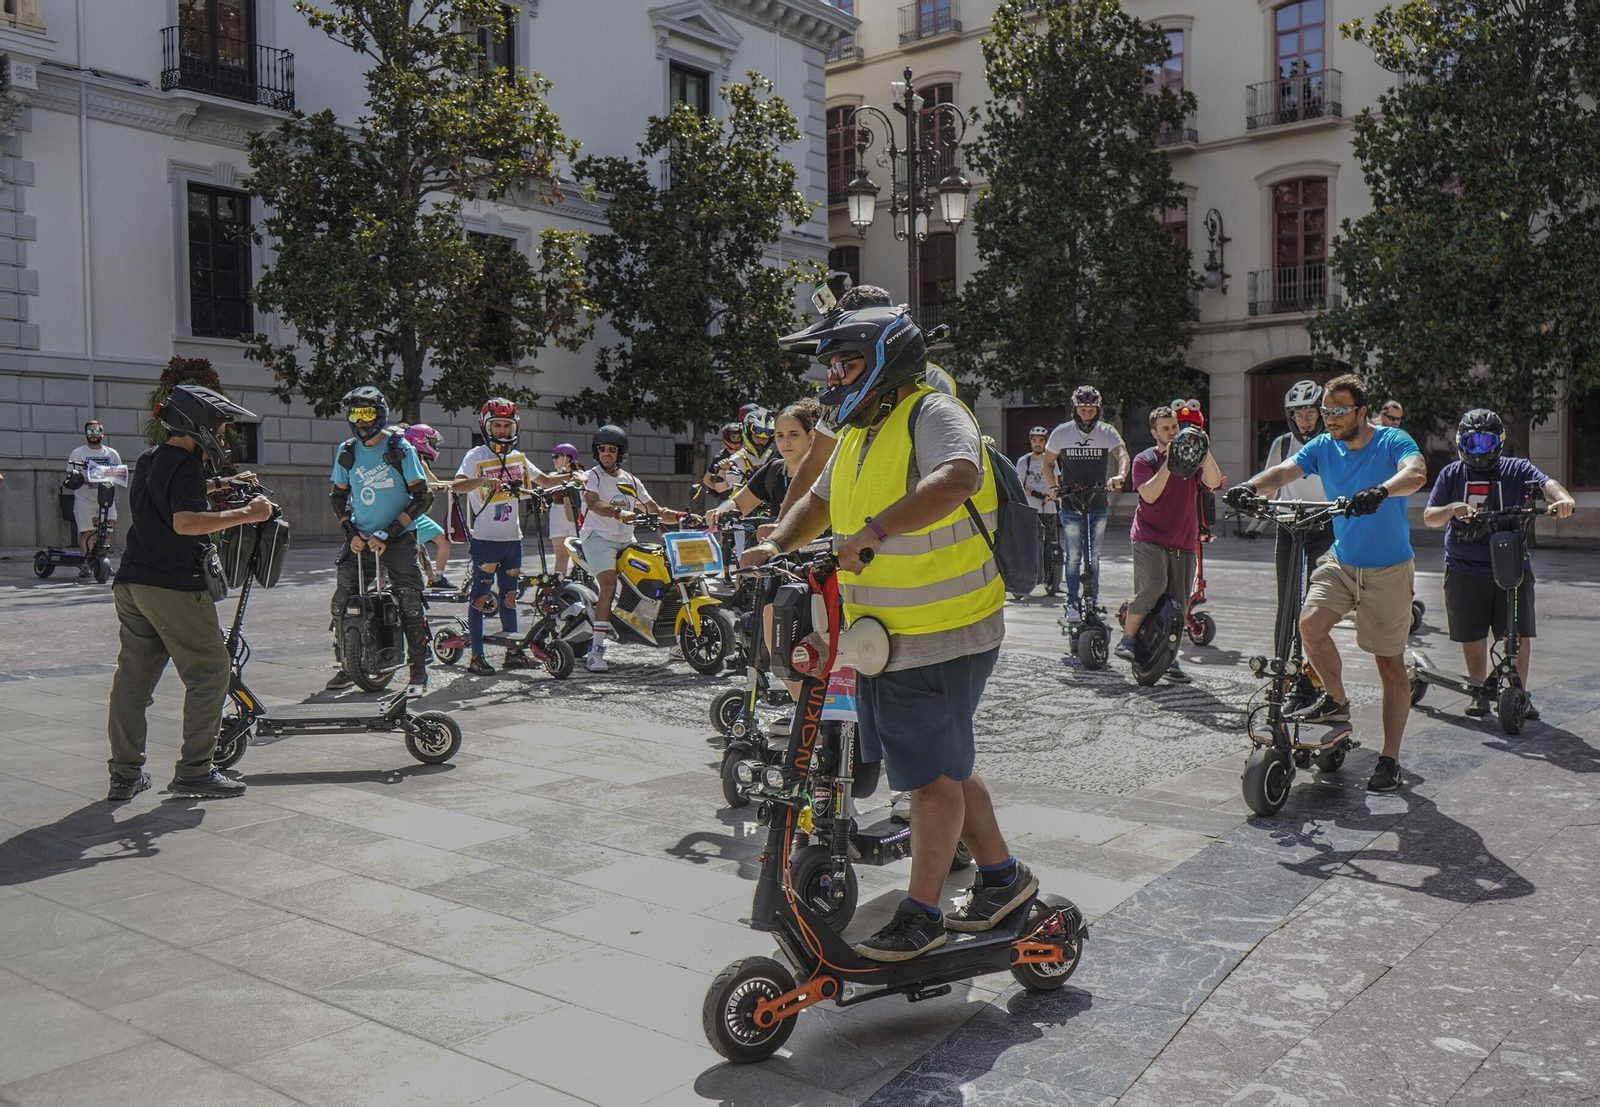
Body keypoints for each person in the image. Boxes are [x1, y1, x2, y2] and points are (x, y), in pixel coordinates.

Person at [749, 304, 1033, 963]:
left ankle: (921, 915)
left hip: (944, 627)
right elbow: (818, 500)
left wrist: (873, 533)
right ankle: (1003, 879)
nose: (833, 379)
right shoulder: (857, 432)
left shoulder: (932, 413)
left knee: (930, 777)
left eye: (843, 364)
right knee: (945, 764)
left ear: (881, 362)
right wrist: (778, 543)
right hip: (889, 633)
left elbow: (958, 476)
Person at [1224, 372, 1428, 792]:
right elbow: (1282, 472)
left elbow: (1416, 472)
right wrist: (1248, 487)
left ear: (1362, 411)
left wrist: (1382, 491)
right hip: (1342, 559)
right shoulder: (1324, 446)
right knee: (1309, 625)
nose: (1328, 418)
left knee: (1389, 665)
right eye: (1326, 410)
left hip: (1387, 568)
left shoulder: (1391, 440)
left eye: (1337, 410)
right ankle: (1335, 699)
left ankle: (1389, 759)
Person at [106, 385, 274, 801]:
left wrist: (221, 483)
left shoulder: (151, 458)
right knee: (211, 672)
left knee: (132, 682)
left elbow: (169, 495)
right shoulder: (185, 464)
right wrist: (246, 514)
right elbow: (184, 521)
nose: (222, 433)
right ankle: (195, 771)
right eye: (218, 426)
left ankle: (125, 775)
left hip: (133, 583)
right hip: (172, 585)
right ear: (197, 425)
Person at [1424, 409, 1575, 718]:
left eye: (1485, 442)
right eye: (1471, 442)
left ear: (1499, 443)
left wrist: (1562, 499)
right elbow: (1430, 517)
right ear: (1461, 443)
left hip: (1510, 565)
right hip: (1465, 565)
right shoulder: (1452, 474)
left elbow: (1548, 484)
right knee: (1472, 633)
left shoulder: (1517, 468)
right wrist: (1452, 509)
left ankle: (1519, 692)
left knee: (1516, 632)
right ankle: (1479, 691)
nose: (1478, 450)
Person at [444, 398, 565, 676]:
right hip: (486, 541)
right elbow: (458, 485)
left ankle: (513, 653)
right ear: (486, 427)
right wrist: (483, 481)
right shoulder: (476, 455)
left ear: (515, 427)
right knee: (480, 598)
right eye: (496, 425)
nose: (501, 430)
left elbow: (544, 481)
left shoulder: (518, 458)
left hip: (513, 540)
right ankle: (476, 656)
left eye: (506, 425)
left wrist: (573, 476)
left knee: (510, 597)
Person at [326, 386, 435, 696]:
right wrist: (351, 532)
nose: (361, 421)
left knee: (410, 602)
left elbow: (422, 497)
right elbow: (338, 495)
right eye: (355, 414)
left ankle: (417, 668)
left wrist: (389, 532)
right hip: (361, 537)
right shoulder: (347, 450)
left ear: (381, 414)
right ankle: (347, 666)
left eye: (367, 413)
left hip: (397, 538)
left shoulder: (400, 447)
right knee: (341, 602)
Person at [1116, 406, 1222, 683]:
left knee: (1179, 604)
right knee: (1152, 587)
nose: (1173, 433)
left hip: (1182, 540)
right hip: (1148, 537)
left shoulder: (1192, 460)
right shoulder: (1145, 459)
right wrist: (1169, 462)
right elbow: (1149, 495)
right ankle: (1127, 640)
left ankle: (1168, 660)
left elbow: (1213, 481)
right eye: (1166, 429)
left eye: (1175, 427)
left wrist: (1205, 449)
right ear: (1155, 433)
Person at [581, 424, 696, 673]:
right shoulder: (594, 476)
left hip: (626, 539)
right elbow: (593, 503)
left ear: (621, 453)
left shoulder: (631, 480)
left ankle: (678, 640)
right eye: (602, 449)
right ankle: (596, 650)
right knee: (609, 584)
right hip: (598, 537)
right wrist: (618, 512)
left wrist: (682, 517)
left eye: (612, 449)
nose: (606, 453)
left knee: (664, 573)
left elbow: (655, 509)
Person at [1264, 381, 1334, 675]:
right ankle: (1281, 663)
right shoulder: (1282, 445)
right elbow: (1268, 483)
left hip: (1323, 524)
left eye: (1310, 414)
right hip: (1289, 524)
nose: (1304, 422)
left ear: (1321, 413)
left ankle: (1314, 666)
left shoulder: (1333, 443)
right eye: (1298, 416)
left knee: (1317, 602)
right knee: (1287, 600)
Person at [1043, 386, 1129, 626]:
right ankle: (1071, 602)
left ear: (1098, 410)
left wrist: (1120, 476)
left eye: (1091, 410)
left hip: (1098, 501)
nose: (1087, 414)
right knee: (1073, 557)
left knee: (1093, 557)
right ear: (1075, 409)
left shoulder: (1106, 432)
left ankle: (1091, 600)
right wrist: (1053, 487)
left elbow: (1122, 455)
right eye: (1083, 409)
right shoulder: (1062, 433)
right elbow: (1048, 464)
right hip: (1070, 502)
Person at [401, 424, 453, 589]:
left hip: (414, 512)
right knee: (442, 540)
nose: (433, 445)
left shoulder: (419, 460)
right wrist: (438, 486)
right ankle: (437, 578)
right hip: (409, 511)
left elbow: (433, 481)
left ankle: (434, 577)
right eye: (430, 441)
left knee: (418, 546)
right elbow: (418, 484)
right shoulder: (408, 459)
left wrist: (452, 485)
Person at [68, 420, 122, 573]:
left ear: (102, 433)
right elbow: (71, 475)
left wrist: (105, 479)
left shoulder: (112, 454)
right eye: (90, 432)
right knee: (87, 532)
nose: (93, 435)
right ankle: (86, 564)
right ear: (86, 434)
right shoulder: (77, 453)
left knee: (105, 532)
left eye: (96, 431)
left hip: (106, 499)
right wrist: (88, 481)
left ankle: (102, 563)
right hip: (85, 499)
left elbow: (119, 474)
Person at [1016, 427, 1058, 584]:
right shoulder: (1024, 461)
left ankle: (1052, 577)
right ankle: (1030, 576)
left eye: (1041, 441)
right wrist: (1036, 494)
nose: (1037, 444)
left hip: (1049, 508)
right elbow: (1020, 486)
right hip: (1032, 508)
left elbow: (1057, 483)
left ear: (1046, 442)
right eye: (1034, 440)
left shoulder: (1051, 461)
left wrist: (1052, 496)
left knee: (1050, 543)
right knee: (1032, 543)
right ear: (1030, 442)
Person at [548, 442, 583, 576]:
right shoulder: (554, 476)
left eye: (556, 456)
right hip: (557, 515)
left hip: (574, 515)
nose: (554, 460)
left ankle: (582, 585)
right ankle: (559, 587)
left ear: (567, 458)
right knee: (561, 557)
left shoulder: (580, 475)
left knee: (578, 557)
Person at [702, 422, 747, 496]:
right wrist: (722, 492)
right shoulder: (720, 457)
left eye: (739, 437)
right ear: (727, 437)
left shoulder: (745, 454)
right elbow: (706, 480)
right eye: (733, 437)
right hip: (728, 497)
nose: (736, 440)